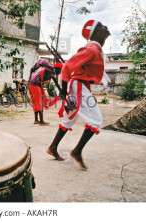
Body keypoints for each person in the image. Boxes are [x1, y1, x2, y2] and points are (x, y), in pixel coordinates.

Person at [46, 20, 111, 169]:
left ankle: (53, 147)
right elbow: (67, 67)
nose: (105, 27)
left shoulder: (96, 49)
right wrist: (63, 93)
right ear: (94, 33)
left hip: (79, 85)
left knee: (70, 118)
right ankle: (77, 151)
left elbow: (86, 72)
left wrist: (86, 93)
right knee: (96, 120)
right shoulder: (92, 49)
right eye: (101, 26)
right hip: (77, 85)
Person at [28, 60, 63, 126]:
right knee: (39, 102)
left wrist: (61, 91)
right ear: (57, 68)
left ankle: (36, 120)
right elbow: (42, 61)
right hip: (35, 84)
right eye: (60, 70)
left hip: (32, 84)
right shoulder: (51, 68)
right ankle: (41, 121)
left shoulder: (51, 74)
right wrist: (34, 68)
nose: (60, 72)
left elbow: (57, 84)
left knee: (35, 102)